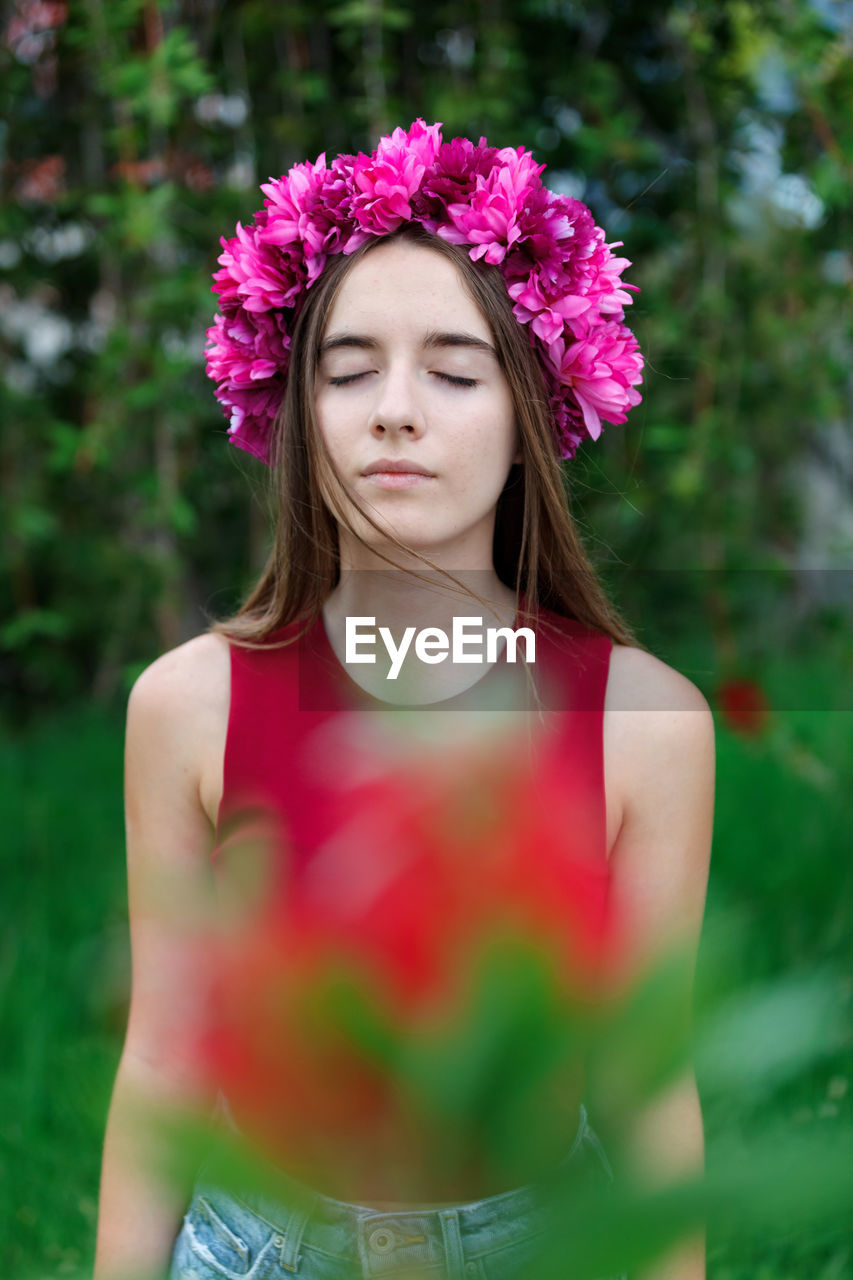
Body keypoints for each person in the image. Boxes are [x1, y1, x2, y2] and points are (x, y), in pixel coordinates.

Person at [93, 120, 715, 1280]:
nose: (394, 409)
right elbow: (168, 1052)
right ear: (296, 411)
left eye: (452, 369)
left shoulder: (650, 724)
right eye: (349, 369)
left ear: (532, 412)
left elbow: (645, 1082)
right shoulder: (187, 704)